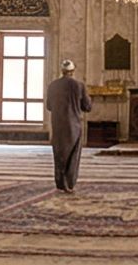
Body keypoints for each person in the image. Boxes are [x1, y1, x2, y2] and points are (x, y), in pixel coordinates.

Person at [45, 58, 92, 191]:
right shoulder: (79, 85)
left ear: (62, 71)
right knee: (73, 154)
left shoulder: (52, 85)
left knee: (59, 153)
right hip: (74, 125)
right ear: (72, 71)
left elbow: (49, 106)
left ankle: (60, 183)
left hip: (58, 124)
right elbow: (87, 107)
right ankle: (70, 182)